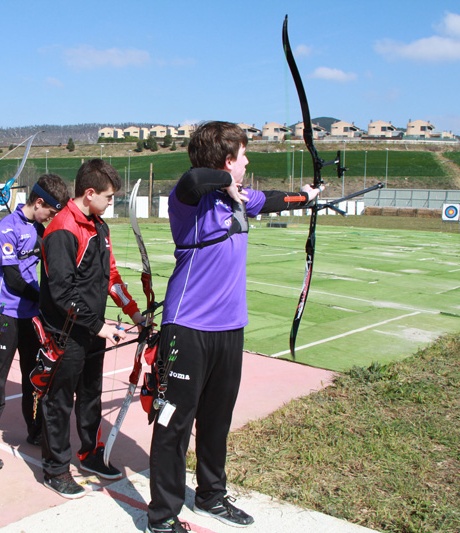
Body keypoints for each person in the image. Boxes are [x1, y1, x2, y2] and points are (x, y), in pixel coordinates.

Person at [144, 121, 323, 532]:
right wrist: (227, 182)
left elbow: (276, 199)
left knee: (217, 420)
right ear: (227, 161)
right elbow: (193, 178)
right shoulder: (189, 201)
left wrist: (308, 196)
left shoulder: (239, 200)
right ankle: (162, 516)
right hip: (187, 326)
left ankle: (211, 496)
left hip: (229, 329)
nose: (246, 164)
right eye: (243, 156)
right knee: (173, 423)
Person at [38, 159, 144, 498]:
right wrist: (98, 325)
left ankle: (90, 454)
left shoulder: (101, 227)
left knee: (90, 395)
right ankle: (55, 469)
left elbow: (111, 277)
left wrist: (135, 314)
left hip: (92, 330)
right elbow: (61, 292)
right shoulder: (62, 228)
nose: (111, 203)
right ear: (90, 193)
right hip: (65, 331)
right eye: (109, 197)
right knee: (58, 401)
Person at [0, 174, 70, 472]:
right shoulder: (6, 229)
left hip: (31, 316)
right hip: (5, 314)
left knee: (34, 376)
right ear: (39, 202)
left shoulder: (39, 228)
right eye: (50, 212)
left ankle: (35, 429)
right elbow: (13, 280)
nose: (51, 218)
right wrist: (45, 300)